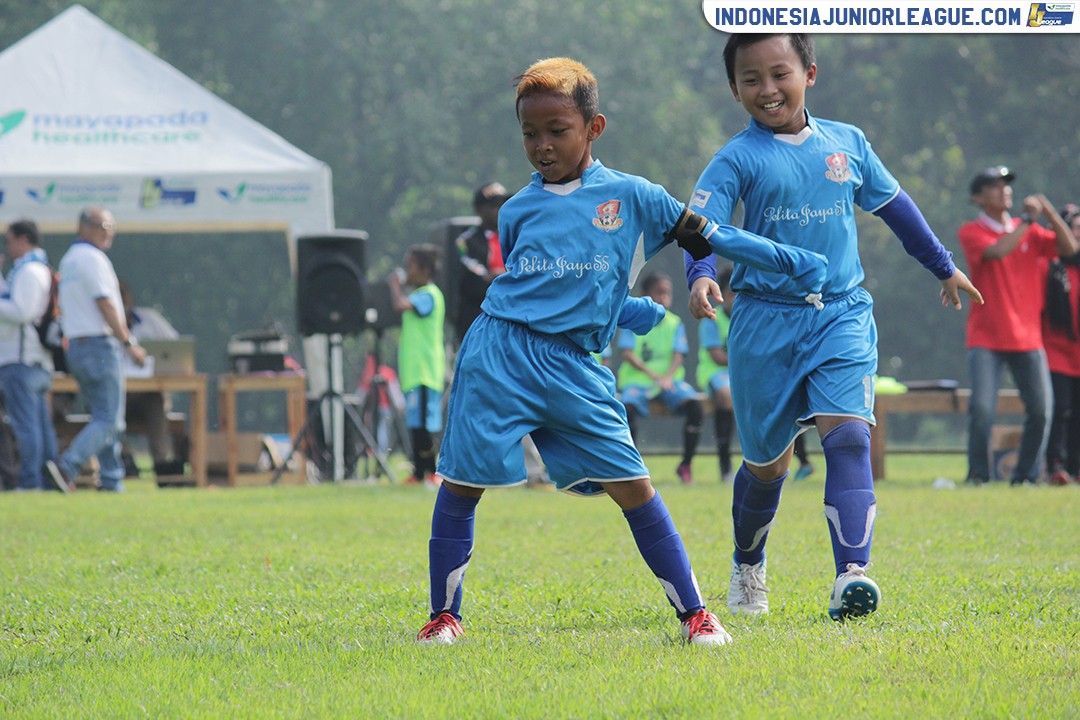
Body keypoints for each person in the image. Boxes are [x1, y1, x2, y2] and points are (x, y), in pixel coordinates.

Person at [416, 56, 829, 647]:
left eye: (557, 130)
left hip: (575, 368)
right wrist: (625, 311)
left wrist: (789, 260)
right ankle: (443, 617)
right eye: (529, 133)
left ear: (594, 128)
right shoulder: (516, 210)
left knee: (634, 485)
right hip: (498, 354)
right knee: (461, 484)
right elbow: (540, 286)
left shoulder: (635, 196)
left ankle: (695, 615)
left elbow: (709, 236)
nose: (542, 145)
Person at [684, 34, 982, 621]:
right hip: (764, 320)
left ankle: (852, 575)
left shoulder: (849, 143)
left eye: (780, 73)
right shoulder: (736, 158)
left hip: (841, 312)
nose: (768, 89)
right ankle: (747, 563)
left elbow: (896, 207)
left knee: (848, 435)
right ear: (735, 90)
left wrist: (943, 266)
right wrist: (700, 276)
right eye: (751, 79)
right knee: (768, 466)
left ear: (810, 73)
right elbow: (700, 225)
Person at [958, 166, 1077, 485]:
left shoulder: (1030, 231)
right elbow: (998, 252)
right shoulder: (972, 231)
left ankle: (1025, 476)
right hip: (986, 338)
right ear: (978, 197)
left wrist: (1049, 212)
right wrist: (1027, 219)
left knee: (1041, 411)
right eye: (995, 186)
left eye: (1006, 185)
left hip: (1028, 338)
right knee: (982, 409)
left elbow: (1069, 248)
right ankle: (978, 475)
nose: (1004, 191)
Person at [56, 207, 146, 492]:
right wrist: (129, 343)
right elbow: (105, 304)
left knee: (103, 417)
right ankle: (67, 465)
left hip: (77, 346)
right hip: (99, 345)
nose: (109, 233)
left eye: (112, 227)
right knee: (110, 420)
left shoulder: (69, 260)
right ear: (84, 227)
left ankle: (111, 481)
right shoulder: (93, 258)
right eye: (104, 226)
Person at [617, 272, 705, 484]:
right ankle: (632, 467)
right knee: (626, 410)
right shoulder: (630, 318)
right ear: (644, 295)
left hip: (669, 383)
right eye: (659, 292)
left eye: (668, 293)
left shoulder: (674, 323)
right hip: (638, 382)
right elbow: (627, 353)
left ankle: (686, 465)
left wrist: (666, 378)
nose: (664, 298)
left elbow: (678, 355)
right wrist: (653, 375)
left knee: (696, 406)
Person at [0, 220, 67, 492]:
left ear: (23, 239)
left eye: (9, 240)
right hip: (37, 362)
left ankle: (30, 482)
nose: (7, 247)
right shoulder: (40, 269)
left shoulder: (28, 271)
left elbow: (21, 312)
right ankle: (49, 481)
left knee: (26, 427)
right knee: (40, 427)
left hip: (22, 361)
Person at [388, 244, 445, 487]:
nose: (406, 271)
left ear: (424, 270)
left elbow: (400, 305)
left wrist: (394, 286)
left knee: (424, 423)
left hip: (425, 371)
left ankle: (433, 471)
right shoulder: (419, 295)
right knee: (415, 423)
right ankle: (418, 472)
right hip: (414, 372)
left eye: (410, 266)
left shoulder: (429, 294)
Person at [119, 280, 185, 477]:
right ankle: (124, 458)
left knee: (155, 399)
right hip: (117, 392)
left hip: (143, 394)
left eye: (123, 293)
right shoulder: (100, 325)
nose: (122, 299)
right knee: (106, 400)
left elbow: (176, 348)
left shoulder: (150, 319)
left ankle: (161, 463)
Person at [1042, 204, 1080, 485]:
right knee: (1060, 409)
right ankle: (1055, 464)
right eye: (1075, 228)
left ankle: (1075, 467)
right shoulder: (1049, 264)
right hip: (1055, 349)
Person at [453, 183, 510, 345]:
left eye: (503, 205)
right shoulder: (466, 241)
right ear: (478, 209)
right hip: (478, 318)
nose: (500, 210)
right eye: (494, 206)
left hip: (510, 318)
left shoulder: (516, 238)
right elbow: (477, 274)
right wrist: (506, 277)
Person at [696, 263, 737, 483]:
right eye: (731, 293)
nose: (736, 299)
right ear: (721, 295)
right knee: (726, 396)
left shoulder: (750, 318)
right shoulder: (711, 318)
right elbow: (718, 357)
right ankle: (725, 464)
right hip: (716, 373)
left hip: (742, 374)